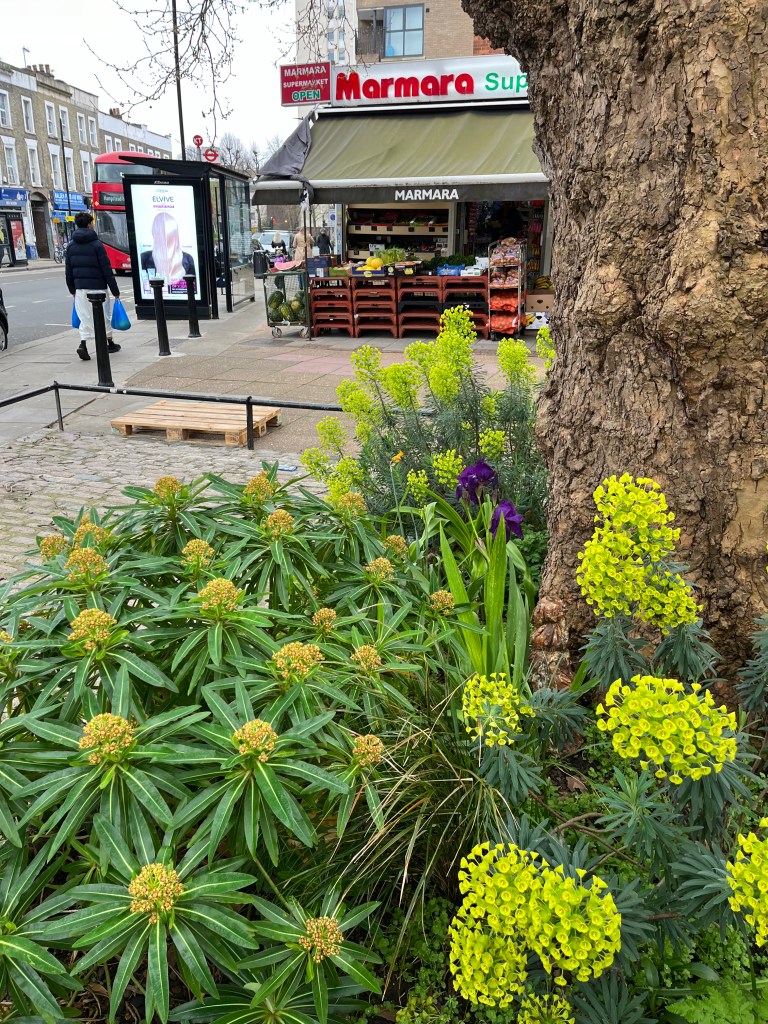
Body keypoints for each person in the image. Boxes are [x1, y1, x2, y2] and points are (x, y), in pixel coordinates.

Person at [65, 211, 121, 361]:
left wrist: (72, 289)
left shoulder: (71, 246)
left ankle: (83, 344)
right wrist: (115, 290)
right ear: (90, 224)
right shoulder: (97, 245)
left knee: (85, 317)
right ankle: (109, 343)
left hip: (81, 288)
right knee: (103, 315)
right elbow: (106, 269)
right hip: (98, 287)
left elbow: (68, 271)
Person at [140, 212, 196, 293]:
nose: (167, 239)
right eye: (163, 233)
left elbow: (194, 287)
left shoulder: (187, 258)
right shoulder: (144, 258)